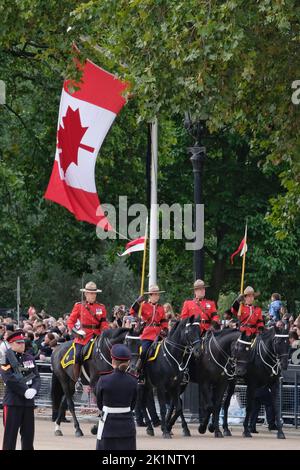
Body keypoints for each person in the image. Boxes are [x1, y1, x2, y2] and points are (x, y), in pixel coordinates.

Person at [0, 330, 41, 450]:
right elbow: (9, 378)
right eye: (18, 343)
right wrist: (25, 390)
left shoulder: (29, 357)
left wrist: (34, 389)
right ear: (11, 344)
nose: (22, 345)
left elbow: (36, 377)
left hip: (28, 403)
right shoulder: (5, 358)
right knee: (10, 437)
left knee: (28, 437)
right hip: (13, 402)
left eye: (23, 342)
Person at [95, 344, 138, 450]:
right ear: (128, 362)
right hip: (127, 425)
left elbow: (100, 404)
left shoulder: (103, 380)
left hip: (108, 425)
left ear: (112, 360)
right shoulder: (133, 381)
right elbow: (133, 405)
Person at [67, 281, 109, 386]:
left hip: (98, 336)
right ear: (85, 294)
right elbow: (70, 322)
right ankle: (76, 379)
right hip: (83, 337)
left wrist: (105, 332)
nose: (92, 295)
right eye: (90, 293)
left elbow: (104, 323)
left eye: (94, 293)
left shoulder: (101, 307)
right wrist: (76, 332)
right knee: (77, 355)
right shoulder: (79, 306)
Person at [130, 285, 168, 381]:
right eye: (154, 295)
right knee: (144, 352)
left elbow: (164, 322)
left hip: (159, 334)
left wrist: (165, 330)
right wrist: (138, 302)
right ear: (150, 296)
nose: (156, 296)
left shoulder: (161, 308)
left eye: (157, 295)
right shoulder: (144, 305)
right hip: (147, 334)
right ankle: (141, 371)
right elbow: (132, 311)